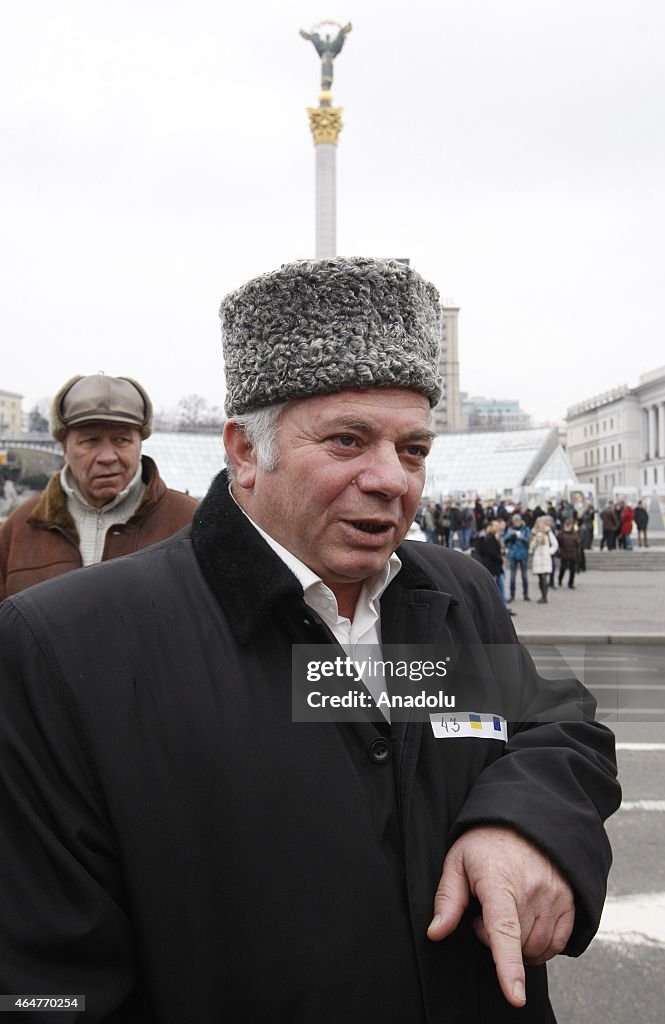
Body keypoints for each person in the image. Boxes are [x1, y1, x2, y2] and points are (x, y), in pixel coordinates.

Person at [0, 258, 619, 1023]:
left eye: (414, 449)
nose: (392, 479)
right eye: (348, 441)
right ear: (243, 451)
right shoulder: (66, 645)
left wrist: (525, 823)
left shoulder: (450, 592)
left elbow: (557, 728)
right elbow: (44, 983)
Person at [0, 374, 197, 598]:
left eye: (121, 440)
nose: (107, 457)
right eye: (90, 441)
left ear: (139, 445)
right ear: (64, 447)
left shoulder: (188, 521)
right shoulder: (20, 526)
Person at [530, 515, 559, 604]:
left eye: (542, 523)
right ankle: (542, 595)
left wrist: (550, 552)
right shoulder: (534, 533)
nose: (540, 525)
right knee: (540, 578)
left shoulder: (548, 532)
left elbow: (555, 543)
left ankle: (544, 597)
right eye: (539, 523)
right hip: (538, 558)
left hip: (545, 557)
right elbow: (531, 547)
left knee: (544, 577)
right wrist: (535, 541)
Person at [504, 512, 531, 602]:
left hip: (523, 554)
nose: (517, 522)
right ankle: (512, 594)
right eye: (515, 521)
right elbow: (505, 539)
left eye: (518, 520)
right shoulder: (510, 529)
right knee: (512, 576)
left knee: (524, 576)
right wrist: (511, 536)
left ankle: (526, 594)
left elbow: (528, 541)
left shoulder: (526, 529)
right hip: (513, 554)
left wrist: (522, 537)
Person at [557, 519, 581, 589]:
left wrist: (578, 554)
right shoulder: (561, 534)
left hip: (573, 554)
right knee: (563, 568)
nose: (568, 527)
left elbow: (578, 545)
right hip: (564, 554)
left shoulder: (575, 534)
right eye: (567, 525)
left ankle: (571, 583)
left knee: (572, 570)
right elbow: (558, 543)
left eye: (569, 525)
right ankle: (560, 580)